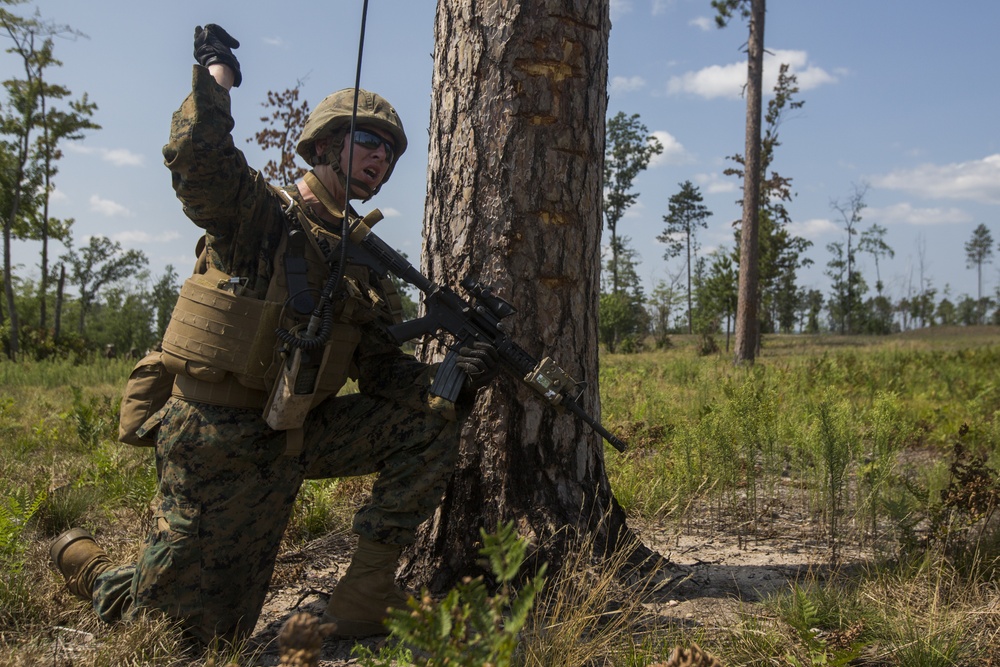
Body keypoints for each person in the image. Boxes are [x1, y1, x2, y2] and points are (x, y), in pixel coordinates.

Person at [49, 23, 498, 645]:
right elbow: (198, 160)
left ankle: (364, 596)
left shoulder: (368, 265)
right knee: (191, 639)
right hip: (218, 440)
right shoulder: (261, 217)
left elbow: (384, 372)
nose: (380, 159)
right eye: (368, 141)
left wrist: (452, 377)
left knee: (428, 419)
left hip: (296, 437)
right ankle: (93, 568)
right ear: (322, 147)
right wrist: (216, 77)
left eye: (390, 153)